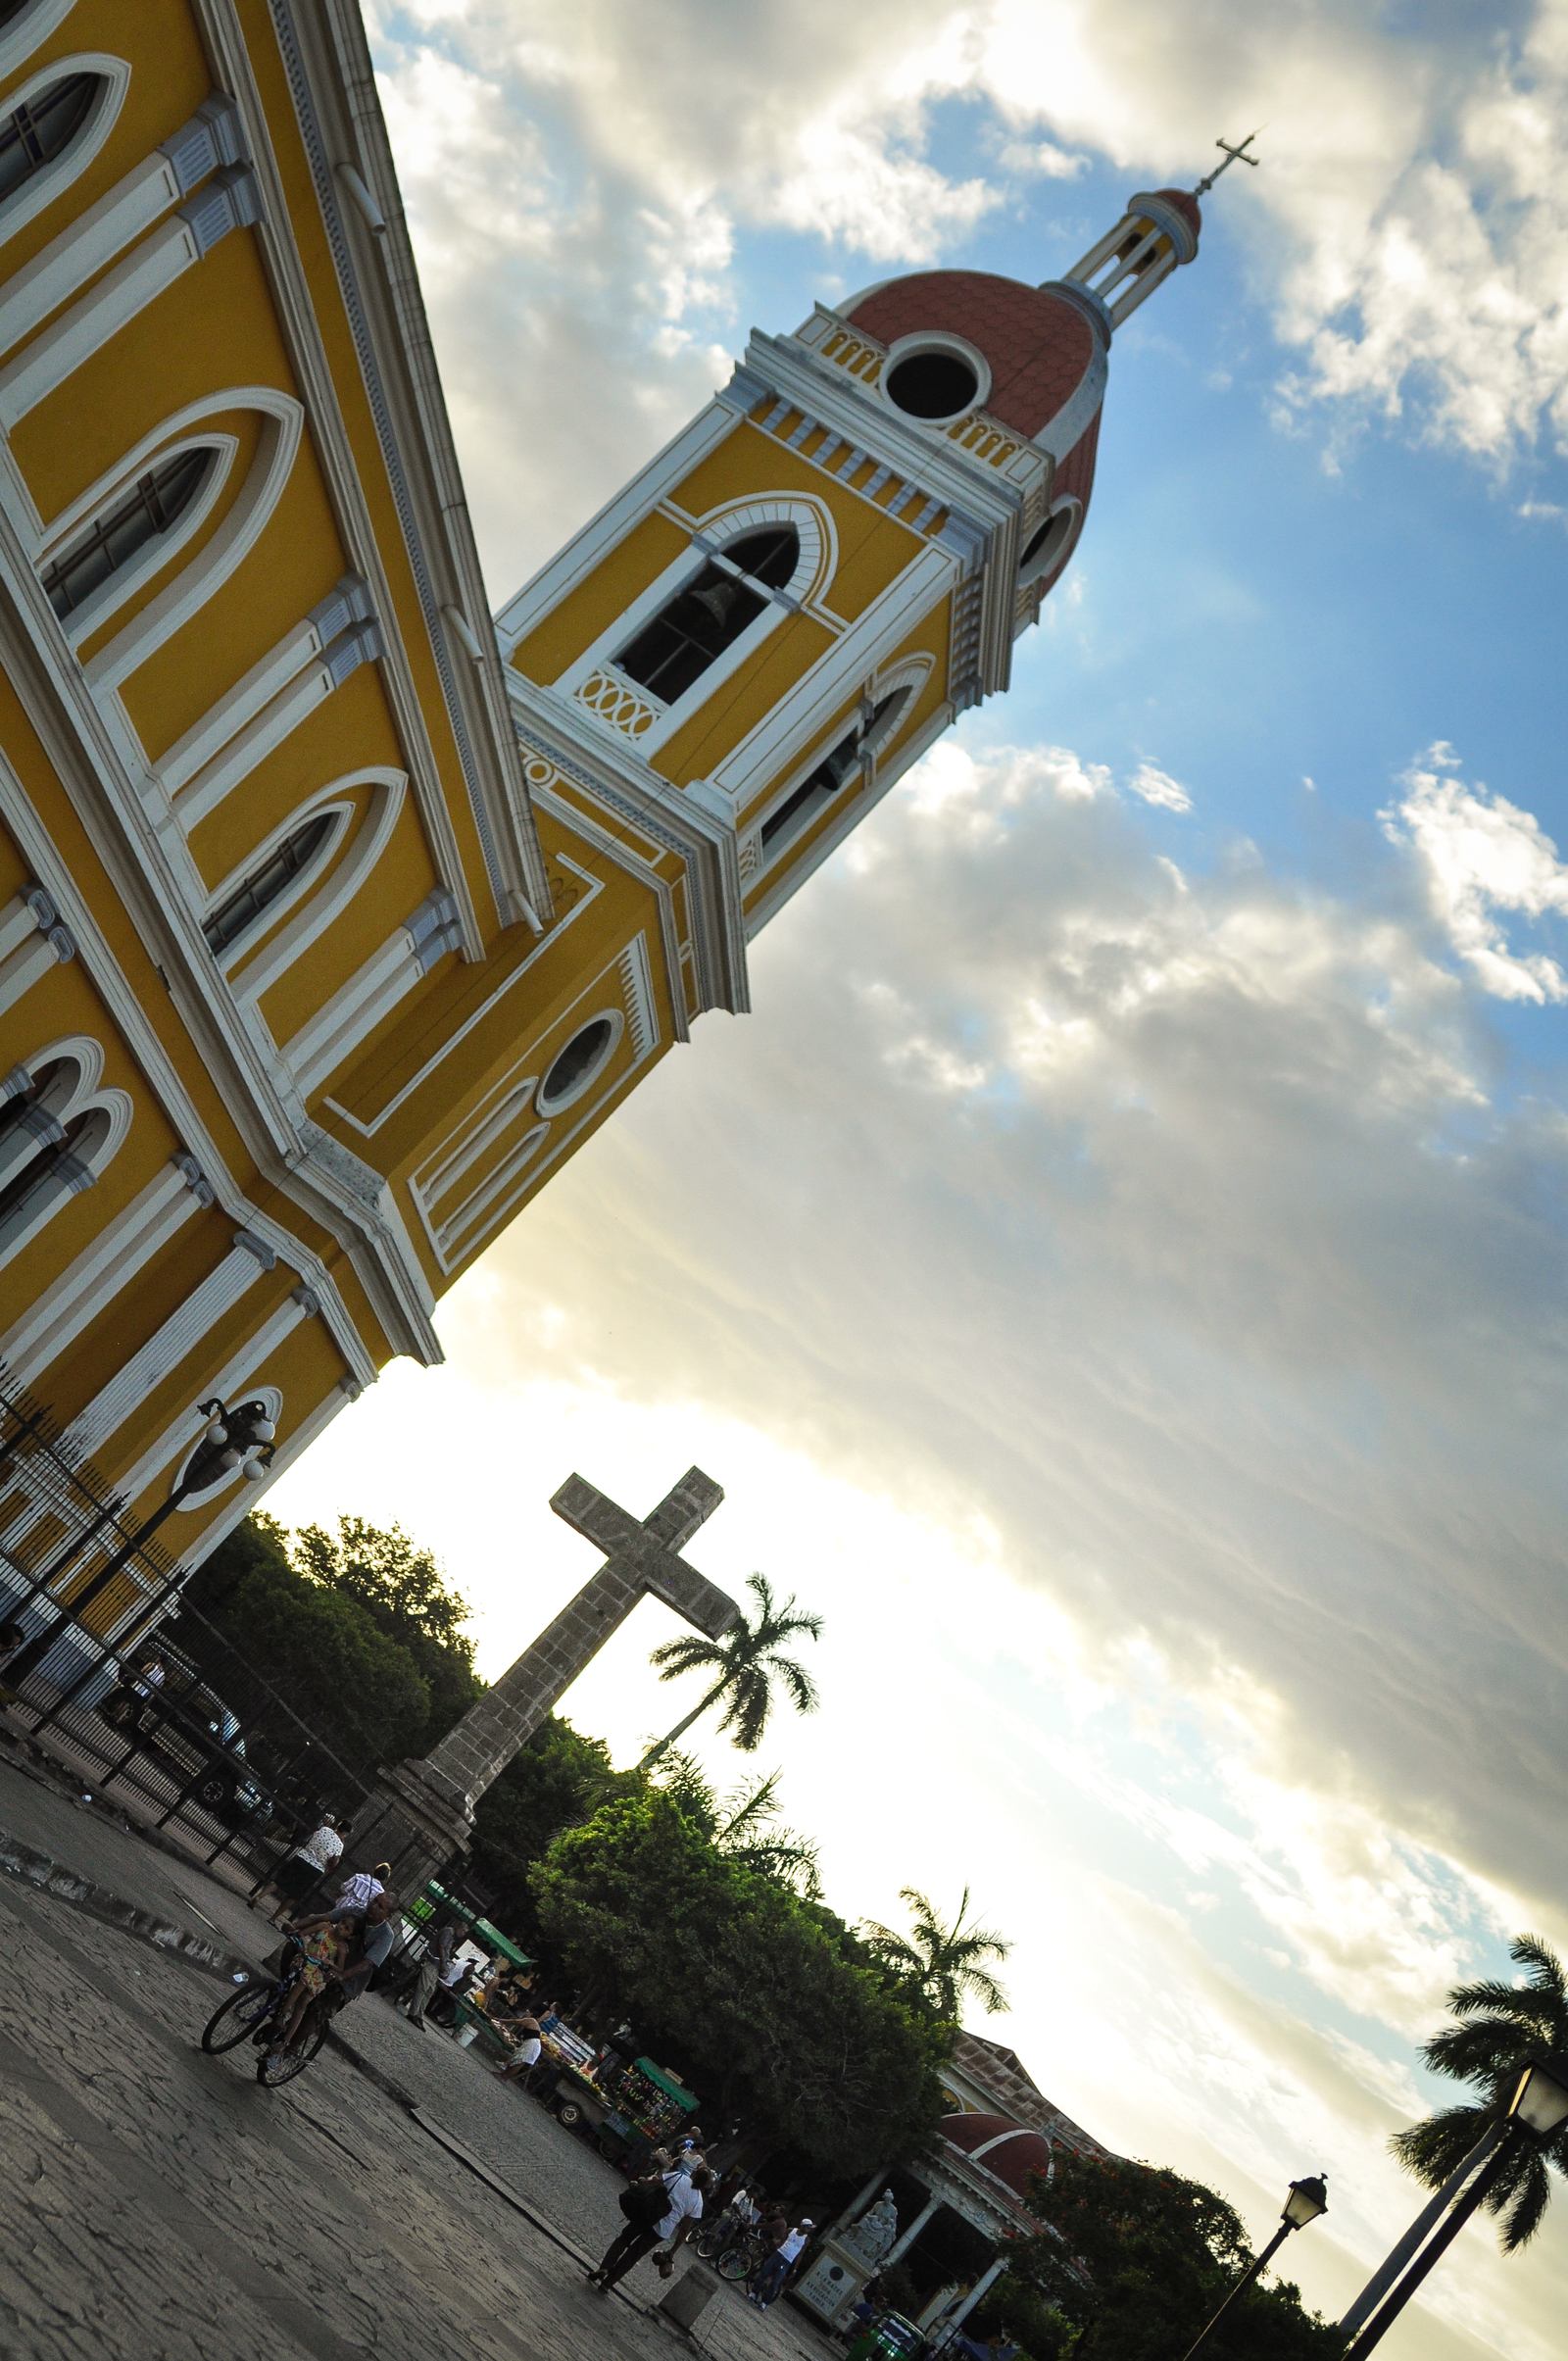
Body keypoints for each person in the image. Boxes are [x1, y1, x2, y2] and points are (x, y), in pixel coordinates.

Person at [589, 2165, 713, 2292]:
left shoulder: (679, 2176)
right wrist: (672, 2251)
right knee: (633, 2255)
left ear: (694, 2173)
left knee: (624, 2239)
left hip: (648, 2214)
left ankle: (605, 2266)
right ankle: (607, 2284)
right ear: (705, 2185)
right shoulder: (698, 2202)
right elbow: (684, 2230)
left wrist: (641, 2182)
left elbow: (655, 2182)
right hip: (662, 2230)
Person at [269, 1812, 342, 1924]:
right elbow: (335, 1862)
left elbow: (312, 1837)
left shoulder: (324, 1829)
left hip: (303, 1856)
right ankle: (273, 1918)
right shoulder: (339, 1844)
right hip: (316, 1868)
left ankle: (259, 1896)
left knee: (279, 1881)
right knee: (295, 1894)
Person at [749, 2215, 812, 2310]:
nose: (809, 2229)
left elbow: (800, 2254)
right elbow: (782, 2240)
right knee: (764, 2273)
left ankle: (764, 2302)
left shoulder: (806, 2239)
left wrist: (795, 2268)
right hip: (778, 2254)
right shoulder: (791, 2230)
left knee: (775, 2282)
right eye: (808, 2227)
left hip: (787, 2261)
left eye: (810, 2228)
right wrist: (775, 2246)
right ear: (802, 2226)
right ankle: (754, 2293)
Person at [403, 1914, 456, 2029]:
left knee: (429, 1991)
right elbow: (441, 1946)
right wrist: (442, 1963)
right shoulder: (448, 1932)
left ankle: (419, 2014)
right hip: (432, 1962)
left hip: (436, 1966)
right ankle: (413, 2013)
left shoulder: (451, 1935)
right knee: (423, 1988)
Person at [494, 2012, 543, 2083]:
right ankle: (503, 2074)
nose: (526, 2014)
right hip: (531, 2043)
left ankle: (504, 2077)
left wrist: (500, 2020)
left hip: (533, 2044)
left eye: (528, 2013)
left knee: (520, 2061)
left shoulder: (532, 2021)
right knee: (517, 2059)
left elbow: (515, 2021)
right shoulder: (533, 2024)